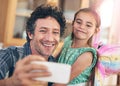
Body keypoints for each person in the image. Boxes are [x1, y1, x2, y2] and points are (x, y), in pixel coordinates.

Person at [0, 4, 66, 86]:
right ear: (30, 33)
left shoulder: (56, 67)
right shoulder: (10, 54)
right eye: (43, 31)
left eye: (55, 32)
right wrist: (11, 82)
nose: (49, 38)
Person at [53, 8, 101, 86]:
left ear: (96, 31)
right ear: (73, 23)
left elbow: (62, 81)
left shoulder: (87, 54)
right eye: (78, 22)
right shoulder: (67, 42)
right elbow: (54, 62)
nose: (82, 27)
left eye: (88, 25)